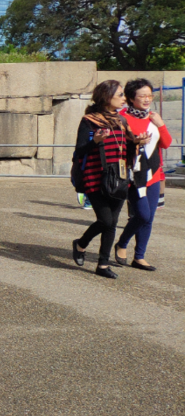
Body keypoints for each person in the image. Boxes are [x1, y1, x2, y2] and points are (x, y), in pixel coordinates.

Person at [71, 80, 138, 279]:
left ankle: (102, 264)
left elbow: (127, 149)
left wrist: (137, 142)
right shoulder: (89, 120)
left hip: (119, 176)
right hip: (96, 177)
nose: (124, 99)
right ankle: (81, 244)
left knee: (112, 222)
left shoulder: (122, 120)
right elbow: (79, 152)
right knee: (105, 220)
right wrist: (95, 141)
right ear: (106, 97)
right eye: (120, 95)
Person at [114, 79, 173, 271]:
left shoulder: (152, 117)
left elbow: (166, 144)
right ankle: (122, 243)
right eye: (143, 96)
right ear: (131, 98)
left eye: (150, 95)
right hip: (133, 174)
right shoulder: (121, 117)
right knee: (142, 214)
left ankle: (139, 257)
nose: (147, 99)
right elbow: (117, 147)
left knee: (149, 218)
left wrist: (161, 124)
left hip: (154, 173)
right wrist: (135, 143)